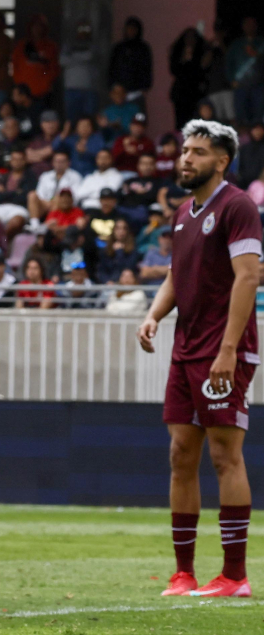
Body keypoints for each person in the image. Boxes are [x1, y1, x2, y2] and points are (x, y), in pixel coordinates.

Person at [137, 121, 260, 598]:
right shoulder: (183, 213)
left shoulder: (238, 206)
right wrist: (153, 315)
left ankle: (234, 576)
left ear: (222, 161)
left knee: (225, 455)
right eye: (185, 150)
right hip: (186, 348)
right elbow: (175, 273)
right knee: (180, 456)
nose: (186, 158)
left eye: (199, 152)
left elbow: (248, 278)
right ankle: (183, 573)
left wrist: (229, 349)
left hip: (223, 349)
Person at [108, 17, 153, 105]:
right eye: (129, 28)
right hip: (118, 92)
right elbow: (112, 68)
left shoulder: (143, 48)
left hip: (136, 92)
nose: (131, 31)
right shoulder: (118, 48)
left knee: (136, 117)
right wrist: (112, 86)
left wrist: (144, 88)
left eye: (134, 28)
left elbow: (146, 69)